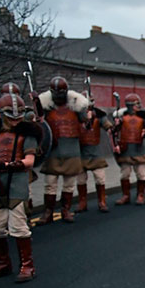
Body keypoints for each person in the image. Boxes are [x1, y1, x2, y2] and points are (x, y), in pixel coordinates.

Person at [0, 93, 42, 282]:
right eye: (10, 116)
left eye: (18, 115)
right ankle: (3, 263)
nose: (15, 120)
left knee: (18, 227)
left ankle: (27, 266)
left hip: (17, 182)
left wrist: (6, 166)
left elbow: (30, 161)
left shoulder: (28, 133)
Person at [37, 77, 90, 224]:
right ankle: (48, 212)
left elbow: (86, 123)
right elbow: (37, 122)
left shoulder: (76, 107)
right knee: (50, 183)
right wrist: (35, 105)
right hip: (53, 150)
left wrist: (88, 116)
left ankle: (65, 210)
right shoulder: (46, 108)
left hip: (71, 150)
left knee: (69, 184)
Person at [75, 95, 114, 213]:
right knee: (81, 180)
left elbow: (108, 126)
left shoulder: (99, 115)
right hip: (81, 152)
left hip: (95, 153)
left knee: (100, 179)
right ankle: (82, 202)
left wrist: (111, 127)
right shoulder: (76, 115)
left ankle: (102, 201)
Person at [112, 93, 145, 205]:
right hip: (126, 149)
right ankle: (125, 195)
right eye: (135, 104)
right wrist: (116, 125)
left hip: (139, 149)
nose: (138, 106)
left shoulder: (143, 118)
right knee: (125, 174)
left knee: (141, 174)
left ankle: (140, 195)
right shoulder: (121, 118)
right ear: (129, 106)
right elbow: (114, 133)